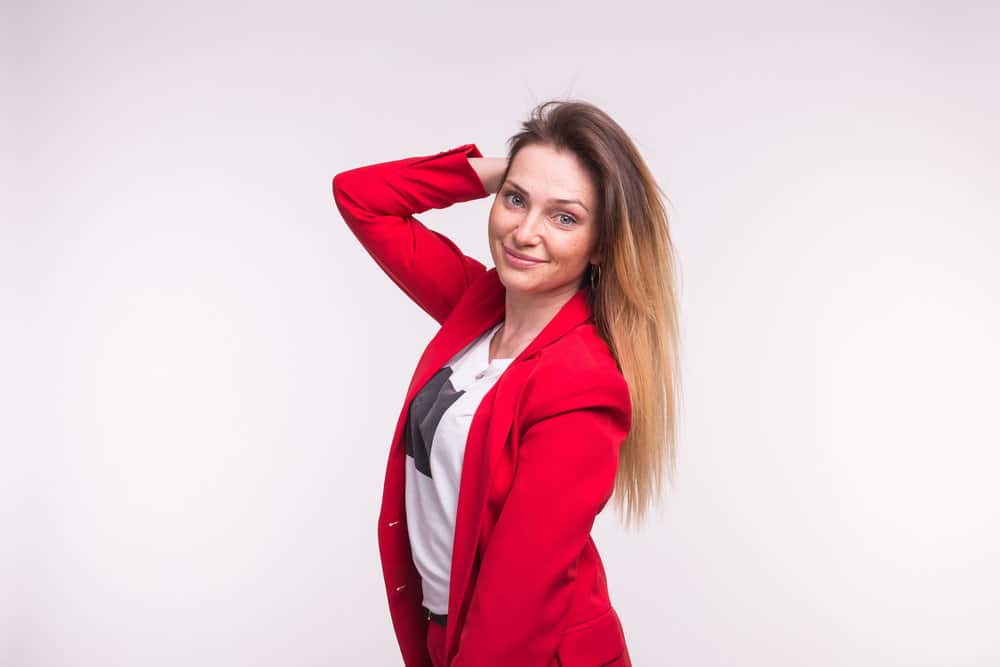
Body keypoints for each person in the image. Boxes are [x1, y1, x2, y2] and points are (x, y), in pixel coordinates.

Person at [331, 99, 681, 667]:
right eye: (515, 201)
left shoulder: (583, 385)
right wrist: (510, 167)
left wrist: (530, 179)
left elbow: (521, 596)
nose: (524, 232)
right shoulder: (479, 306)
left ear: (600, 247)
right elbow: (360, 197)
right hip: (451, 638)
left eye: (564, 217)